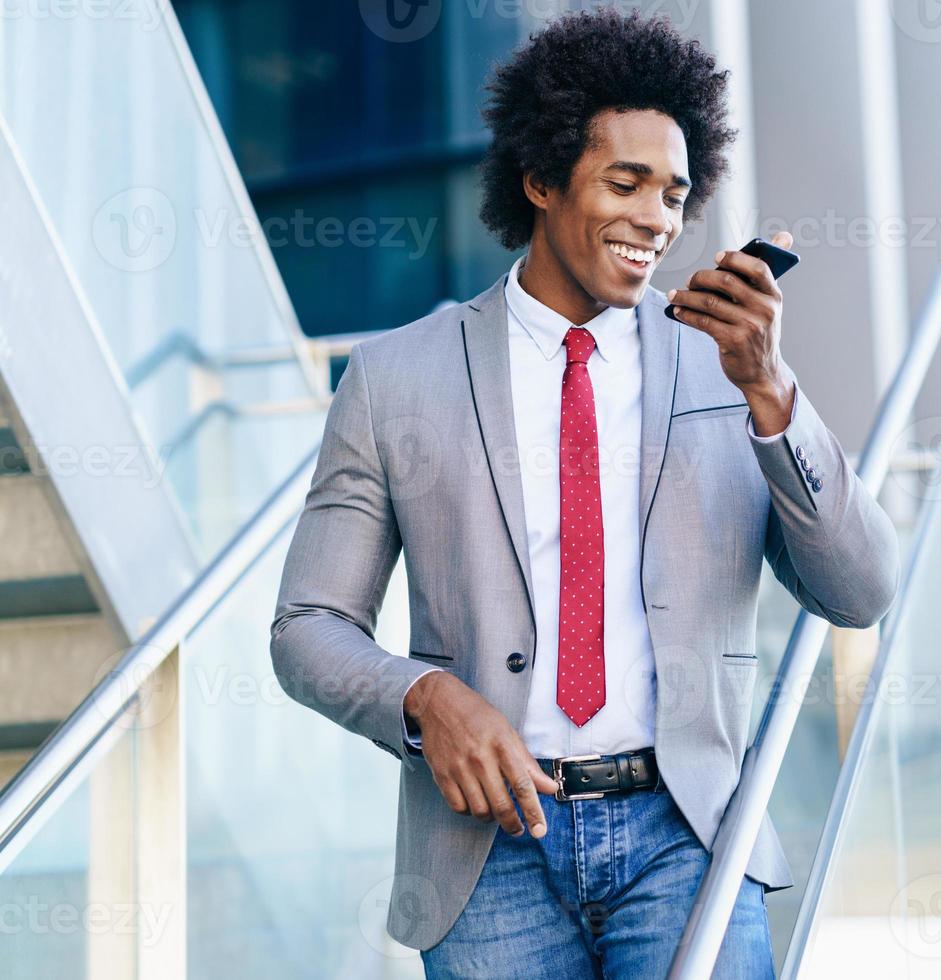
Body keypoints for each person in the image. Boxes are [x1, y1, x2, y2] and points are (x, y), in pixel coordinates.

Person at [269, 8, 900, 978]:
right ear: (539, 179)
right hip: (486, 857)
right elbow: (308, 625)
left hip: (686, 837)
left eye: (676, 192)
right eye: (626, 181)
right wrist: (424, 696)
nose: (658, 216)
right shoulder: (395, 377)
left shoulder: (722, 366)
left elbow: (860, 588)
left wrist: (772, 391)